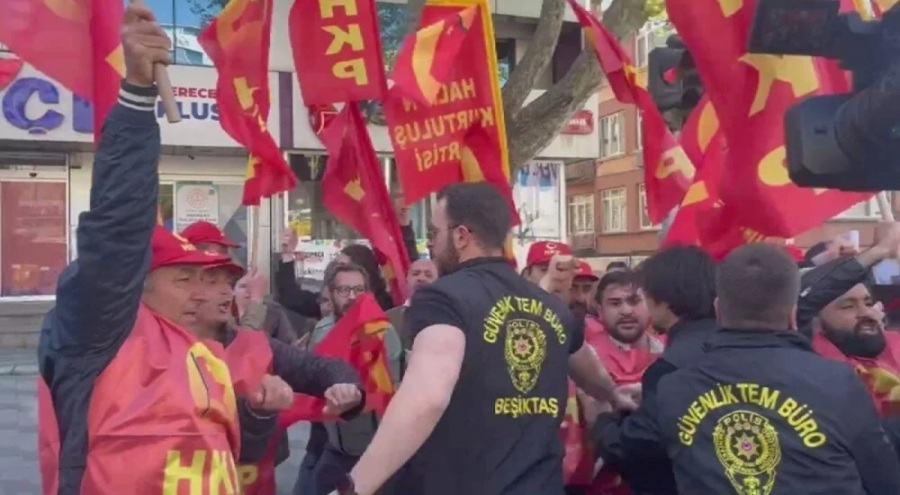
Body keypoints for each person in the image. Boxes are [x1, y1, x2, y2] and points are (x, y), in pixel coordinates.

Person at [36, 10, 295, 492]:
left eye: (209, 278)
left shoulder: (204, 349)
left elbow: (232, 453)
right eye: (184, 278)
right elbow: (116, 228)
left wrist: (259, 412)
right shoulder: (102, 333)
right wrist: (136, 97)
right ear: (138, 283)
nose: (204, 292)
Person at [343, 182, 630, 495]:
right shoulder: (552, 307)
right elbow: (583, 363)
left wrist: (355, 488)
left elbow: (427, 397)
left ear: (461, 236)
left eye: (435, 233)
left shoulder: (443, 299)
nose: (432, 244)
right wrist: (614, 395)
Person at [651, 243, 900, 493]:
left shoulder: (674, 388)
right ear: (793, 315)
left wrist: (612, 410)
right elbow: (885, 481)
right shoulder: (837, 382)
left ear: (718, 310)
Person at [190, 260, 366, 494]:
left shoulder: (252, 342)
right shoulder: (157, 349)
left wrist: (347, 387)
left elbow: (313, 367)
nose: (225, 291)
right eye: (212, 282)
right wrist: (256, 411)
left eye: (228, 283)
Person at [592, 245, 717, 495]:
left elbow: (633, 449)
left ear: (664, 300)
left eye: (642, 297)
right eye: (615, 303)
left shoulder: (668, 369)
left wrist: (604, 419)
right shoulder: (739, 347)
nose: (630, 309)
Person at [309, 262, 403, 495]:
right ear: (330, 294)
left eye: (358, 290)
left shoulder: (382, 331)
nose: (352, 296)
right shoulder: (321, 331)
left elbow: (392, 392)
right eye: (344, 290)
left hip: (375, 452)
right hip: (335, 449)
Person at [385, 258, 438, 351]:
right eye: (416, 273)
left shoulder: (447, 316)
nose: (421, 278)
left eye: (428, 275)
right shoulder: (387, 318)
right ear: (407, 279)